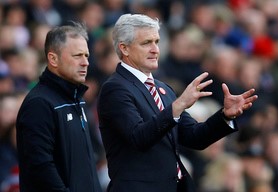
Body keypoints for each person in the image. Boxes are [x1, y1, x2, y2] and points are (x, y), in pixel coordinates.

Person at [97, 13, 258, 192]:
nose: (155, 49)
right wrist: (178, 106)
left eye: (156, 42)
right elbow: (139, 137)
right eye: (146, 43)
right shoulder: (115, 89)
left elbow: (195, 137)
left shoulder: (162, 88)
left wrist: (225, 115)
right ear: (124, 48)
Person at [16, 22, 102, 192]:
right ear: (53, 59)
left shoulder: (78, 99)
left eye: (86, 55)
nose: (85, 62)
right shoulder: (39, 104)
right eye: (77, 55)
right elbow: (40, 166)